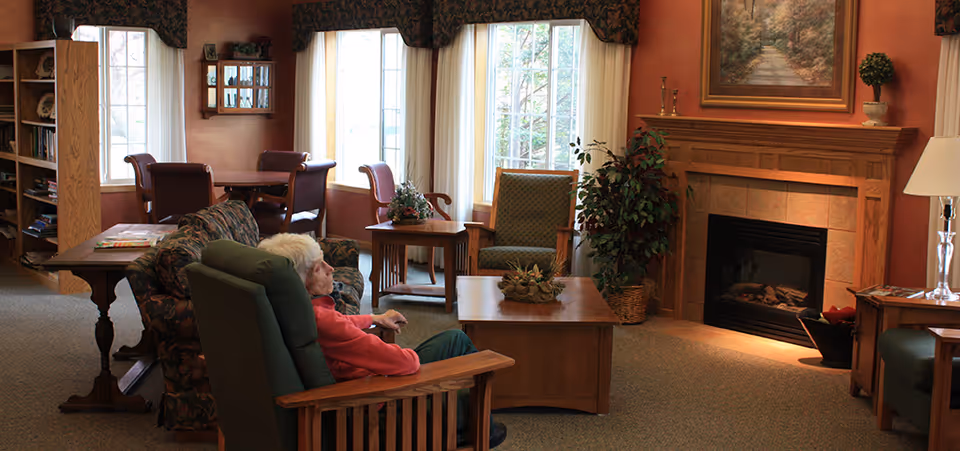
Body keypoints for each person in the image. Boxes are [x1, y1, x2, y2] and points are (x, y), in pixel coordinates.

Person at [257, 233, 507, 448]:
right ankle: (482, 428)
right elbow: (405, 364)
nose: (330, 268)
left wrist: (373, 318)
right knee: (457, 346)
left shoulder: (289, 311)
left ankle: (472, 420)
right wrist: (397, 351)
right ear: (304, 282)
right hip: (373, 406)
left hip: (353, 395)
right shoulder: (325, 322)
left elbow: (338, 326)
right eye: (320, 267)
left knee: (453, 341)